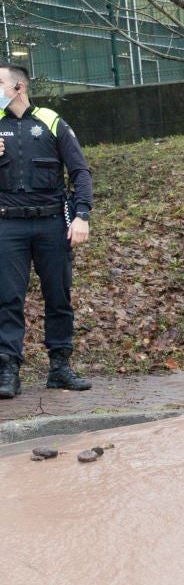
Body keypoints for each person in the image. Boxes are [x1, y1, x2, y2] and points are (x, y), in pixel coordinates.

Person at [0, 63, 93, 399]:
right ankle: (8, 369)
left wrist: (81, 215)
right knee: (7, 299)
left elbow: (80, 171)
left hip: (53, 223)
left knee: (58, 296)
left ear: (18, 87)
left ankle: (60, 367)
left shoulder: (52, 121)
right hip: (7, 224)